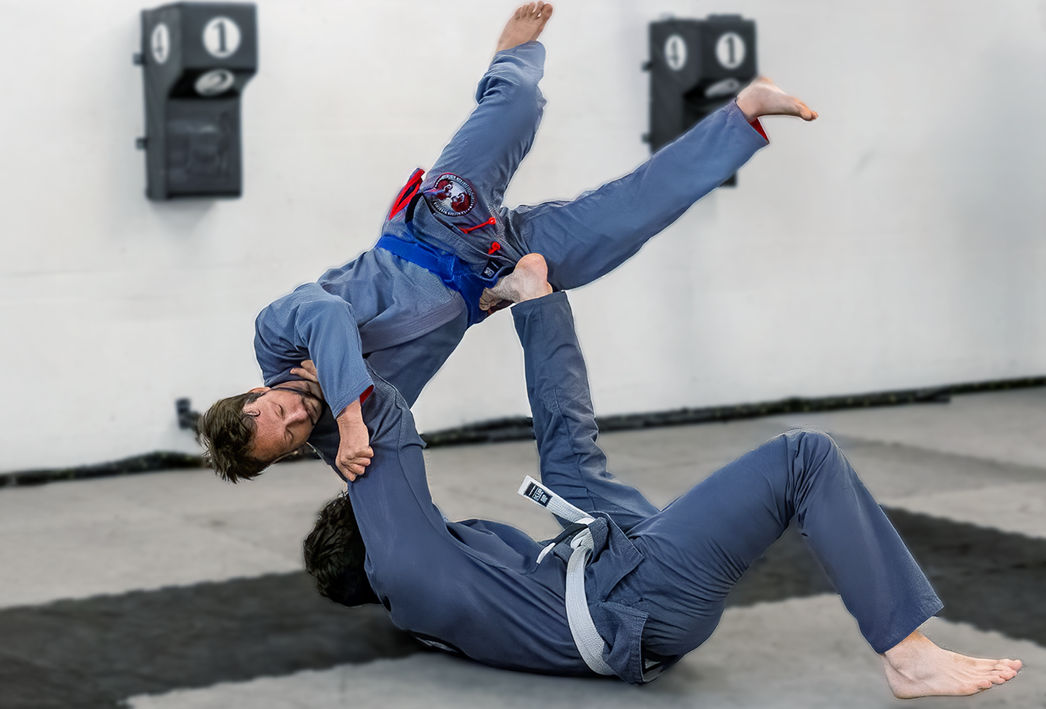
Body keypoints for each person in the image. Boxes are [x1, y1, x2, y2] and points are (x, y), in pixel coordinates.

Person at [301, 254, 1024, 697]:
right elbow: (385, 432)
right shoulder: (408, 565)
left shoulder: (424, 601)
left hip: (606, 573)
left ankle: (538, 301)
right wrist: (325, 390)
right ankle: (906, 653)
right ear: (375, 536)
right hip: (636, 596)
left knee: (570, 465)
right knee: (803, 455)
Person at [196, 1, 818, 482]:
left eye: (277, 411)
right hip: (491, 274)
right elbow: (401, 435)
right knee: (634, 217)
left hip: (436, 221)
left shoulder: (276, 334)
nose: (298, 417)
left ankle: (509, 58)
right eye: (290, 436)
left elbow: (330, 314)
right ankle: (745, 113)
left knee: (519, 103)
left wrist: (350, 417)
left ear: (258, 390)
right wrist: (355, 455)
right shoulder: (342, 443)